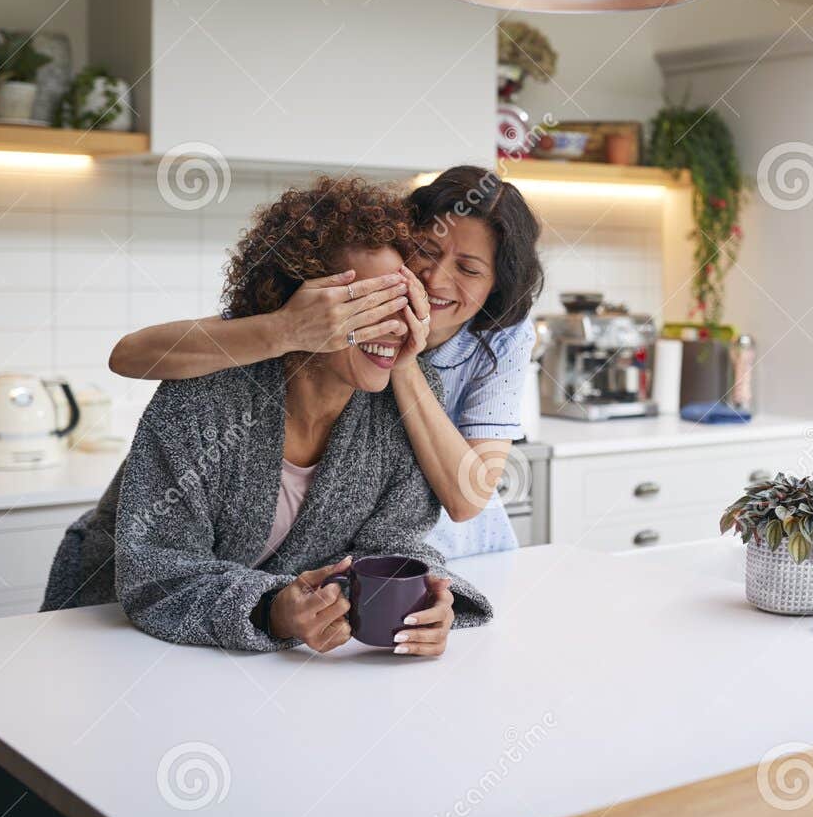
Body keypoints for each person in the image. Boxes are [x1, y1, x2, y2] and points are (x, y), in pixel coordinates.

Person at [41, 177, 490, 655]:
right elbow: (158, 564)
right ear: (299, 306)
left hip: (265, 661)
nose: (393, 324)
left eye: (401, 301)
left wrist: (424, 600)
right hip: (109, 631)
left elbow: (395, 541)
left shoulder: (403, 401)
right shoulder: (207, 390)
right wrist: (271, 608)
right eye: (362, 305)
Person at [106, 166, 544, 559]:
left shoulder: (501, 338)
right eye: (426, 250)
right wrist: (286, 329)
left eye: (469, 269)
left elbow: (468, 498)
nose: (435, 278)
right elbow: (129, 355)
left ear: (495, 288)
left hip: (450, 549)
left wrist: (400, 358)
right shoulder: (329, 304)